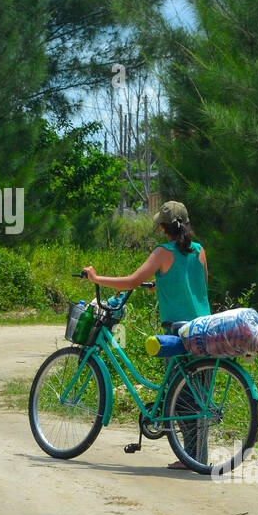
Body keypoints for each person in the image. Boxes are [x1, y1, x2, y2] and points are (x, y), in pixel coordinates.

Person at [81, 200, 209, 469]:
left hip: (178, 330)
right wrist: (160, 283)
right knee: (199, 396)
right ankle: (197, 458)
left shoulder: (163, 252)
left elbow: (131, 281)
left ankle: (190, 460)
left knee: (182, 396)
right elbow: (197, 286)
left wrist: (96, 278)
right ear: (185, 223)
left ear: (163, 227)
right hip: (205, 330)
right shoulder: (199, 251)